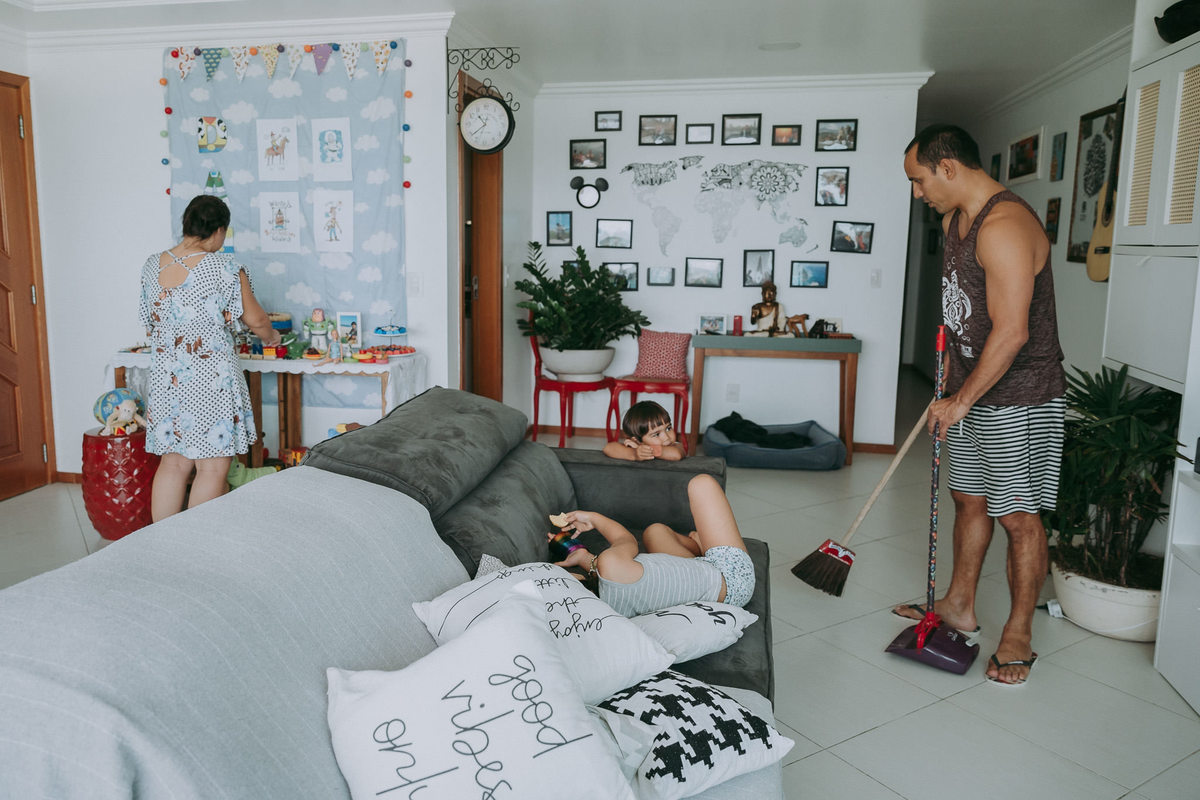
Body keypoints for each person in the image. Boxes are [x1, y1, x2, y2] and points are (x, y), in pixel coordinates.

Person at [899, 123, 1066, 686]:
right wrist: (950, 383)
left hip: (1021, 397)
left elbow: (1012, 332)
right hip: (973, 390)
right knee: (968, 500)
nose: (918, 193)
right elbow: (960, 314)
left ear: (947, 168)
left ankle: (1019, 633)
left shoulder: (1005, 226)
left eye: (920, 180)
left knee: (1018, 517)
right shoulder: (955, 222)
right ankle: (958, 605)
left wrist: (960, 402)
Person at [138, 195, 281, 522]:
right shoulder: (224, 267)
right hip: (209, 379)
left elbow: (150, 323)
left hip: (166, 379)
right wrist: (271, 336)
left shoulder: (151, 265)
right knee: (213, 466)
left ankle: (160, 542)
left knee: (173, 463)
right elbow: (256, 319)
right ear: (218, 231)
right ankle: (194, 544)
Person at [551, 473, 755, 615]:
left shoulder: (611, 607)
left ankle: (701, 546)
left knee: (654, 531)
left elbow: (606, 578)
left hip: (708, 589)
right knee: (702, 484)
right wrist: (593, 518)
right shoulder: (610, 563)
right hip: (732, 578)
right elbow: (625, 539)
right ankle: (701, 543)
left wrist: (581, 556)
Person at [603, 401, 684, 462]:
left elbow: (676, 454)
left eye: (668, 428)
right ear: (637, 440)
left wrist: (646, 450)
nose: (666, 437)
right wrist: (634, 453)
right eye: (656, 434)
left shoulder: (676, 445)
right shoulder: (636, 447)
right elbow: (608, 448)